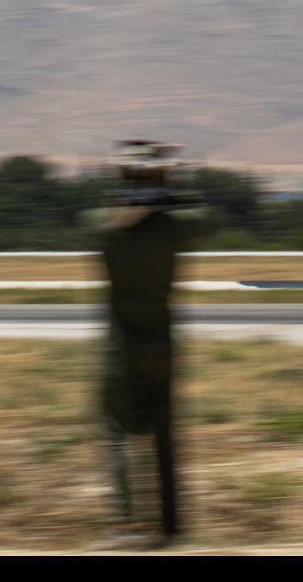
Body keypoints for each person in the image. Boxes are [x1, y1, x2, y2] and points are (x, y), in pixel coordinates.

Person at [83, 141, 209, 547]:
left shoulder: (102, 228)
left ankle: (126, 523)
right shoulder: (175, 228)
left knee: (117, 429)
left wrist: (129, 199)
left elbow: (94, 219)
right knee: (164, 436)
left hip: (121, 347)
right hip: (163, 344)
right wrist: (168, 192)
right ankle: (173, 528)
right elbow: (206, 217)